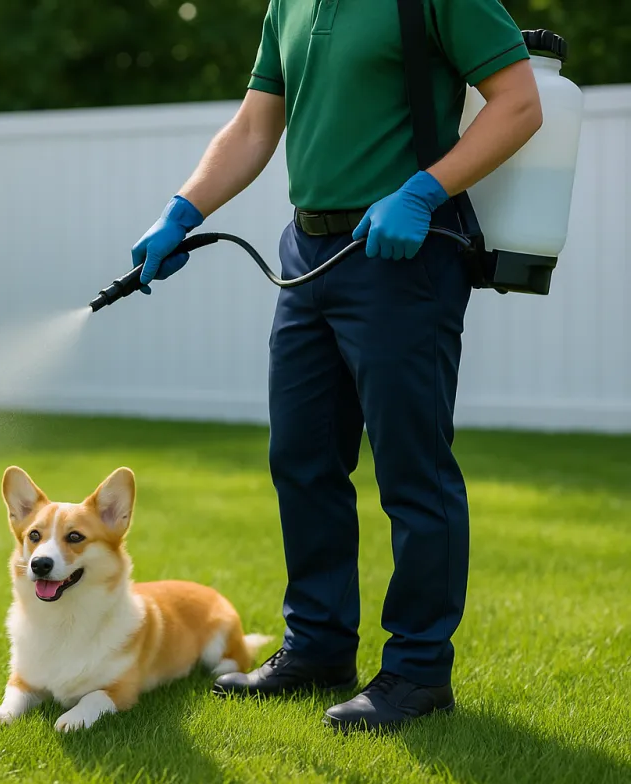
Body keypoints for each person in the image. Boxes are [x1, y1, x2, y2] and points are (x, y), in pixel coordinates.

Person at [130, 0, 542, 733]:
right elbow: (257, 126)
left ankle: (418, 672)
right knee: (303, 460)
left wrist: (424, 189)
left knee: (412, 472)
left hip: (403, 254)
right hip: (307, 254)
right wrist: (181, 210)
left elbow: (518, 105)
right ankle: (317, 648)